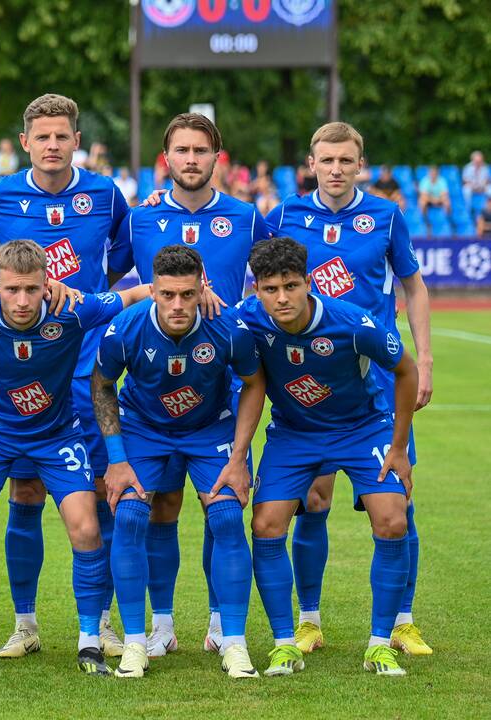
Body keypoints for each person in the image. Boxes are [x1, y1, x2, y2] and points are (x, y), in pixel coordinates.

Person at [0, 93, 131, 660]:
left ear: (76, 140)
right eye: (43, 136)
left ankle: (100, 622)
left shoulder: (106, 193)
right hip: (24, 377)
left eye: (63, 136)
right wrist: (8, 280)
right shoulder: (0, 193)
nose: (53, 145)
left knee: (101, 502)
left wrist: (80, 297)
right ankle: (25, 623)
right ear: (27, 141)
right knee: (26, 497)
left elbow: (124, 259)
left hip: (88, 372)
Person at [264, 121, 433, 657]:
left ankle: (402, 621)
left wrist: (423, 357)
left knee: (398, 500)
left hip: (379, 380)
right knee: (313, 500)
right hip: (308, 380)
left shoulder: (385, 216)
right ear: (311, 164)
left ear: (360, 164)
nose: (336, 169)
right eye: (326, 160)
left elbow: (413, 284)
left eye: (346, 160)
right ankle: (308, 620)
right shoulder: (284, 215)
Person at [0, 240, 139, 678]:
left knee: (87, 527)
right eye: (12, 289)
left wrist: (195, 290)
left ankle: (90, 641)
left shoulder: (73, 310)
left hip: (55, 435)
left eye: (32, 289)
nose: (22, 300)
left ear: (47, 282)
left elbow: (133, 294)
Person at [112, 112, 268, 658]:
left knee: (220, 506)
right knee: (158, 509)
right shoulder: (139, 219)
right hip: (154, 385)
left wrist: (234, 315)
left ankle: (224, 623)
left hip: (220, 385)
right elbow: (105, 283)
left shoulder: (247, 217)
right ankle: (161, 624)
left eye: (201, 150)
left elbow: (275, 280)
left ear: (216, 156)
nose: (192, 160)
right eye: (181, 151)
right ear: (167, 158)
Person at [239, 237, 418, 677]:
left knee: (393, 519)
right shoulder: (247, 320)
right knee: (265, 524)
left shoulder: (352, 322)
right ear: (256, 290)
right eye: (269, 289)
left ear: (308, 283)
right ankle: (285, 643)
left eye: (291, 286)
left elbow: (406, 370)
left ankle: (380, 644)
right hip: (295, 434)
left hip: (362, 429)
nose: (281, 298)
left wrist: (398, 448)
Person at [93, 245, 266, 679]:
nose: (177, 305)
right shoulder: (124, 329)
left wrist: (241, 457)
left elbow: (253, 383)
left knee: (227, 517)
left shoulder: (228, 328)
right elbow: (102, 385)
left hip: (210, 429)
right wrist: (116, 460)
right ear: (152, 291)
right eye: (167, 295)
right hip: (145, 429)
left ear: (201, 286)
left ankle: (234, 642)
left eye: (187, 295)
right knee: (131, 516)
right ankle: (139, 640)